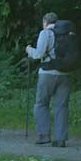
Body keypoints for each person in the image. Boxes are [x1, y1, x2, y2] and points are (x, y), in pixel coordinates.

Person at [25, 12, 71, 147]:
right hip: (66, 73)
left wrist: (29, 50)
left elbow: (39, 54)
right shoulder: (67, 33)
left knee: (41, 104)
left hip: (48, 73)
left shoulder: (46, 33)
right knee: (62, 106)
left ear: (45, 22)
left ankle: (44, 135)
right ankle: (61, 138)